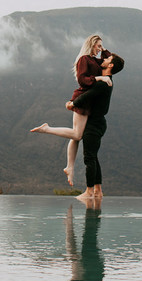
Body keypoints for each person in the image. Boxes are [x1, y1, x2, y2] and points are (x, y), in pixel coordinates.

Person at [31, 35, 110, 185]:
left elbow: (110, 60)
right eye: (98, 46)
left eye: (101, 47)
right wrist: (99, 79)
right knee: (77, 134)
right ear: (91, 45)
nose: (100, 49)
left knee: (76, 136)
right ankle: (47, 129)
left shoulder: (94, 60)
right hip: (82, 100)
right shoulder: (84, 59)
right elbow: (82, 79)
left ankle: (70, 167)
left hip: (89, 102)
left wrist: (104, 49)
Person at [68, 52, 123, 203]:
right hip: (99, 123)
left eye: (107, 59)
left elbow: (87, 96)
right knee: (94, 157)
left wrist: (72, 103)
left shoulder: (102, 83)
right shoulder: (107, 81)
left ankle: (89, 191)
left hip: (94, 124)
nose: (104, 59)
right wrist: (101, 47)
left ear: (110, 65)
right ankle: (98, 191)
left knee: (89, 158)